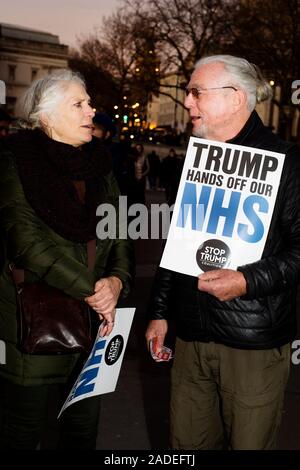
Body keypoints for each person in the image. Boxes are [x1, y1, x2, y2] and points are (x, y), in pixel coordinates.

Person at [146, 55, 300, 450]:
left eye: (197, 92)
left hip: (252, 346)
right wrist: (161, 312)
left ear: (235, 99)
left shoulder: (288, 163)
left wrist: (246, 281)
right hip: (191, 338)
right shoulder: (196, 159)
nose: (187, 102)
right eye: (187, 92)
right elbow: (178, 244)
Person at [0, 69, 134, 449]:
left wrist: (117, 281)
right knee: (22, 435)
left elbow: (120, 231)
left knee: (81, 434)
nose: (91, 110)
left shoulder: (99, 166)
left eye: (89, 102)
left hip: (95, 328)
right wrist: (94, 288)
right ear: (46, 117)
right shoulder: (14, 162)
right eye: (79, 104)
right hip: (33, 330)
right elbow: (27, 243)